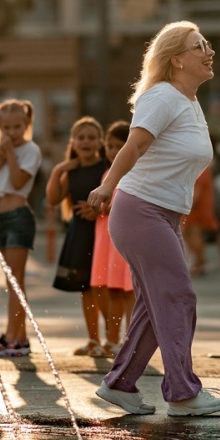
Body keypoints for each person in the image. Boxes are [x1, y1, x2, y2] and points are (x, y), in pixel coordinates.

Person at [88, 20, 220, 417]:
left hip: (164, 214)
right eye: (198, 45)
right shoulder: (163, 96)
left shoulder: (188, 101)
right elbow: (133, 145)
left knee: (156, 305)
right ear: (176, 60)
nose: (208, 51)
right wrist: (106, 187)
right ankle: (183, 393)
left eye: (207, 42)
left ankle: (120, 384)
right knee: (178, 296)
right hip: (140, 209)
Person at [0, 99, 42, 358]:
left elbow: (17, 181)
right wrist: (1, 154)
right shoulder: (0, 149)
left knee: (16, 281)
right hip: (1, 220)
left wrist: (11, 155)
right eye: (6, 128)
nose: (12, 133)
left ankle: (13, 335)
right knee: (10, 281)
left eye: (17, 127)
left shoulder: (30, 150)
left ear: (26, 125)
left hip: (18, 217)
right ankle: (19, 337)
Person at [46, 116, 108, 357]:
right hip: (79, 234)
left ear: (99, 142)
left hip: (102, 234)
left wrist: (98, 212)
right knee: (86, 289)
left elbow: (117, 198)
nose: (86, 142)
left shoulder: (107, 168)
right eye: (81, 137)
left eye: (91, 138)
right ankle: (93, 340)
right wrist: (59, 169)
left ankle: (112, 340)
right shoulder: (71, 171)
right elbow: (53, 200)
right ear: (73, 141)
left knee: (103, 287)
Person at [89, 120, 136, 357]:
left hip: (122, 238)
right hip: (105, 239)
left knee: (127, 291)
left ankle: (131, 339)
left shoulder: (133, 173)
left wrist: (106, 207)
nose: (114, 151)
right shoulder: (108, 173)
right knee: (109, 289)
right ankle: (112, 338)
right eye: (110, 145)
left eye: (120, 146)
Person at [182, 158, 220, 276]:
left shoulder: (200, 173)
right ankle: (200, 262)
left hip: (196, 209)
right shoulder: (205, 172)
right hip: (202, 208)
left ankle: (199, 264)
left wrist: (185, 207)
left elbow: (196, 195)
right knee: (194, 235)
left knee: (195, 236)